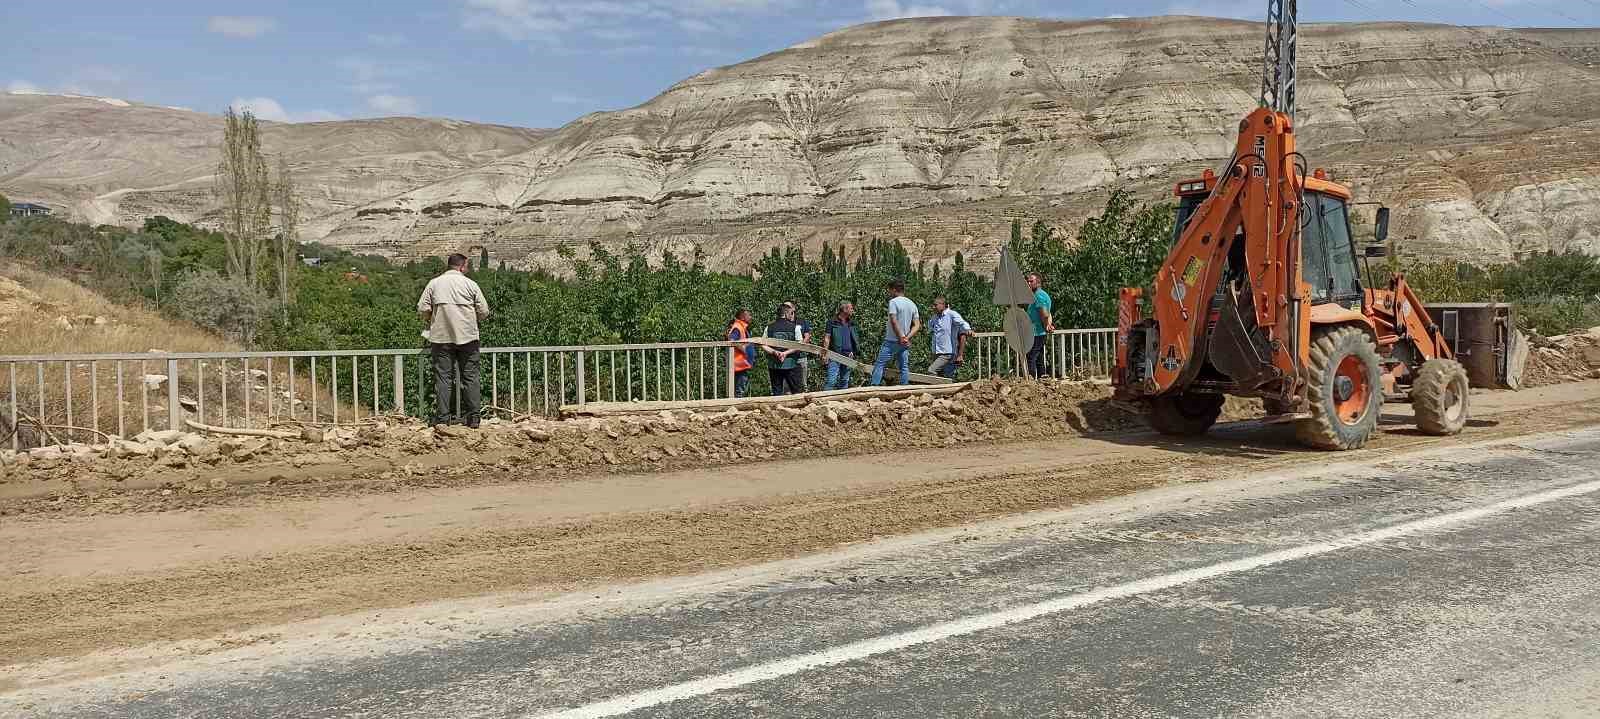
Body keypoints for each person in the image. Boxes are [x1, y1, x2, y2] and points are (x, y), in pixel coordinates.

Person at [417, 253, 491, 428]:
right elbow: (484, 310)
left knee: (443, 378)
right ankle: (474, 419)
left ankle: (443, 419)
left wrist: (432, 319)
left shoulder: (434, 283)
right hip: (468, 338)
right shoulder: (470, 284)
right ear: (462, 266)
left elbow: (422, 308)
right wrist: (471, 320)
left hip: (441, 338)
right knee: (471, 377)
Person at [870, 280, 920, 386]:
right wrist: (907, 337)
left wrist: (901, 337)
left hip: (892, 340)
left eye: (889, 290)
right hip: (904, 342)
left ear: (894, 289)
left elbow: (894, 321)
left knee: (880, 364)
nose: (889, 293)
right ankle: (904, 388)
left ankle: (873, 388)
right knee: (904, 367)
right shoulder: (912, 304)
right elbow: (917, 325)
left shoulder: (893, 302)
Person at [762, 303, 806, 396]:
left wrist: (775, 352)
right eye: (791, 313)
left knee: (776, 392)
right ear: (786, 314)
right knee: (797, 391)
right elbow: (799, 344)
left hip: (774, 364)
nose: (792, 315)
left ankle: (777, 408)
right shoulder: (795, 328)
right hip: (791, 364)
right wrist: (785, 353)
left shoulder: (769, 327)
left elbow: (763, 345)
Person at [926, 296, 974, 380]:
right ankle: (942, 391)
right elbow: (930, 328)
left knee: (931, 370)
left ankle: (935, 388)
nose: (933, 307)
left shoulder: (951, 314)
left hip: (947, 352)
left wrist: (968, 329)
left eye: (935, 305)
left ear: (943, 304)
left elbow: (962, 323)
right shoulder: (935, 317)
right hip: (937, 351)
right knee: (943, 376)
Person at [821, 301, 861, 390]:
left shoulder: (852, 322)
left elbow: (854, 339)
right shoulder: (832, 322)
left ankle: (842, 402)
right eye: (851, 308)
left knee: (844, 380)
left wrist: (853, 351)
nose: (852, 310)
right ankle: (824, 399)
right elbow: (827, 338)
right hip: (834, 355)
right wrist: (825, 354)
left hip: (848, 356)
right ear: (844, 309)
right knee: (831, 380)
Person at [1026, 272, 1055, 378]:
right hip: (1038, 332)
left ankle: (1031, 382)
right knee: (1039, 358)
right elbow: (1049, 313)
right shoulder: (1042, 294)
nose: (1028, 283)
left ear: (1038, 282)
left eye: (1031, 281)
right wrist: (1048, 324)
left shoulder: (1038, 296)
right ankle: (1042, 380)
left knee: (1031, 357)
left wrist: (1047, 324)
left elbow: (1044, 312)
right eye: (1028, 281)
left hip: (1037, 333)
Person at [726, 308, 756, 398]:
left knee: (741, 387)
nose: (751, 317)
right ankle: (736, 407)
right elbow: (731, 339)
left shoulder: (742, 326)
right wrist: (743, 348)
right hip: (739, 364)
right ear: (743, 317)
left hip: (742, 364)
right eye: (749, 315)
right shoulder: (738, 327)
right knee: (740, 389)